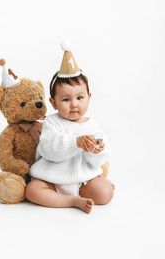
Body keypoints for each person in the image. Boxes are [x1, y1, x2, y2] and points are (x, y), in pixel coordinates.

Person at [26, 41, 114, 214]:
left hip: (82, 179)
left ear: (89, 97)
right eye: (66, 100)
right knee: (32, 191)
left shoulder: (92, 125)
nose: (74, 104)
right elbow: (49, 149)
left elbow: (97, 161)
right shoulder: (52, 122)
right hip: (51, 178)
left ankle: (82, 194)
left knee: (105, 193)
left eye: (80, 98)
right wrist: (77, 142)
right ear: (54, 103)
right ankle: (71, 201)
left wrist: (97, 150)